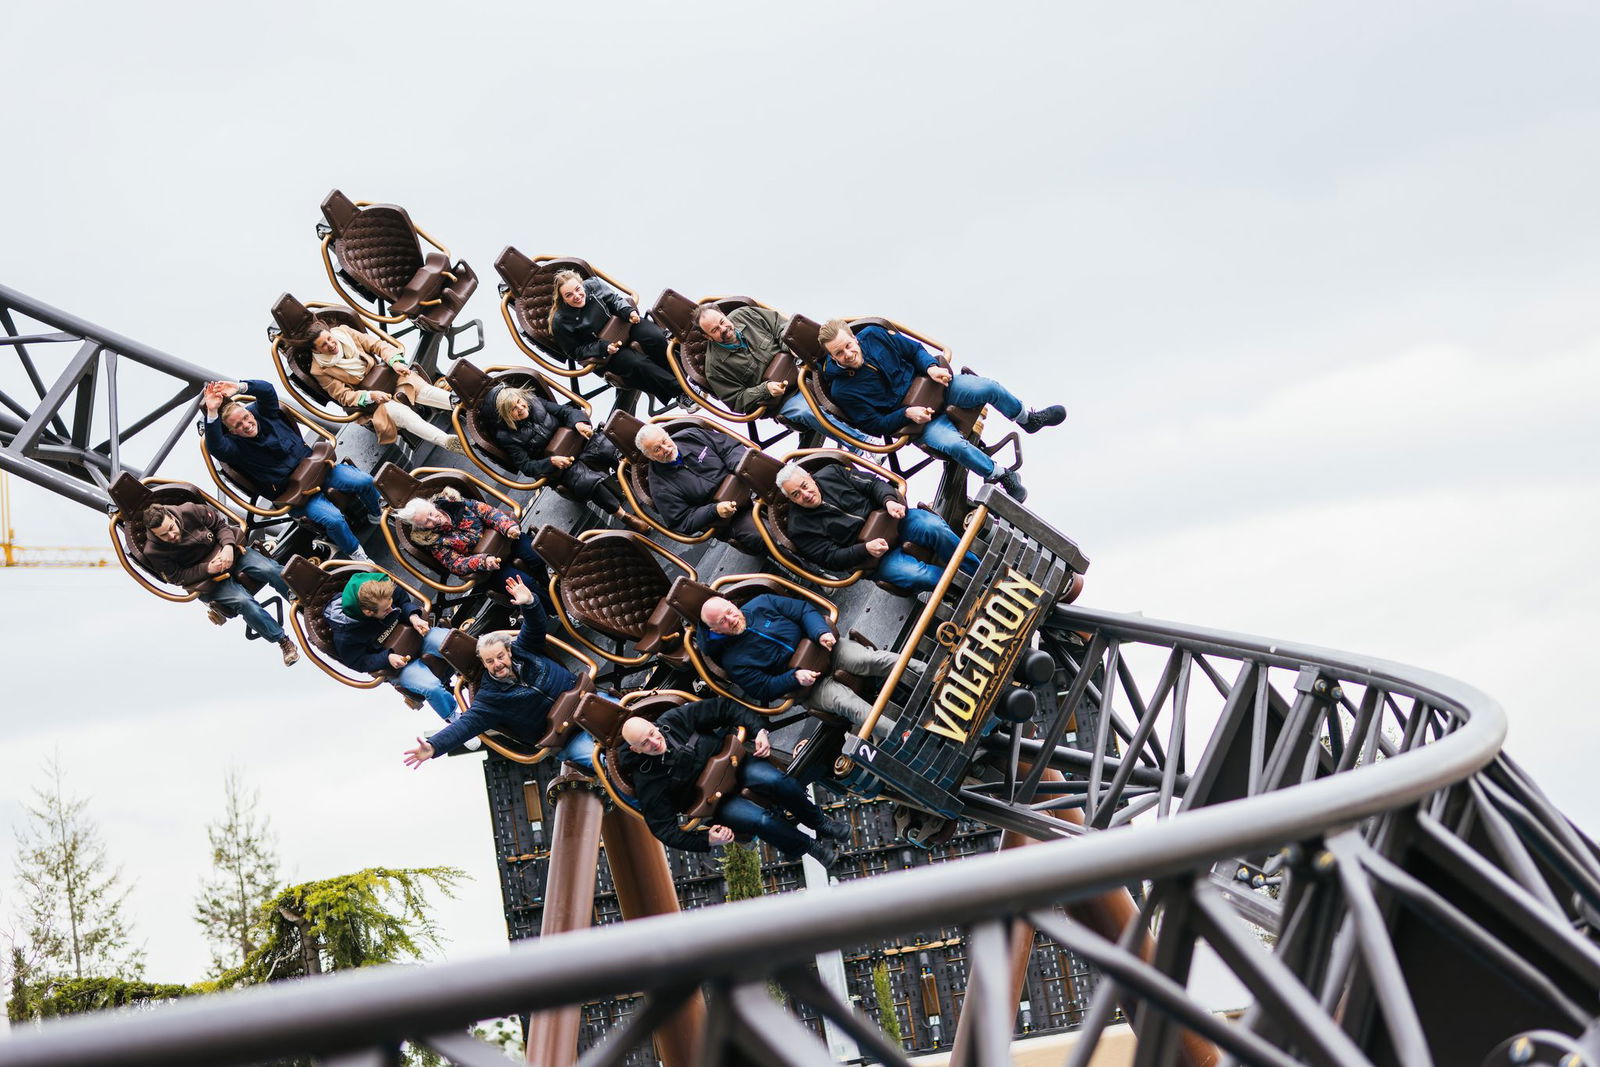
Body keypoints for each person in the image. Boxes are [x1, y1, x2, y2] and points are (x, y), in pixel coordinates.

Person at [817, 319, 1066, 502]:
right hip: (919, 418)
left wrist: (930, 368)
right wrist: (906, 415)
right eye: (839, 353)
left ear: (854, 337)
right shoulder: (842, 390)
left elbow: (913, 350)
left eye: (849, 345)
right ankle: (1000, 475)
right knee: (954, 445)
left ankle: (1028, 419)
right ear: (831, 357)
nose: (848, 354)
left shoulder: (873, 335)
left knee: (988, 387)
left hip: (934, 385)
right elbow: (873, 423)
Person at [618, 698, 847, 865]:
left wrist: (759, 731)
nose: (654, 741)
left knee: (778, 781)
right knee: (761, 821)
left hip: (736, 766)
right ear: (635, 749)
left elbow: (724, 708)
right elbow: (663, 830)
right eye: (645, 743)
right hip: (716, 802)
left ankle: (820, 822)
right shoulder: (647, 778)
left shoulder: (674, 720)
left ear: (654, 725)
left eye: (652, 733)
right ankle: (810, 847)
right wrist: (707, 840)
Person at [402, 576, 595, 768]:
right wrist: (433, 746)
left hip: (586, 702)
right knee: (600, 760)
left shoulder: (524, 649)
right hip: (565, 735)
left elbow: (535, 626)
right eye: (490, 661)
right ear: (484, 664)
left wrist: (529, 602)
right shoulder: (488, 699)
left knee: (624, 724)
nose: (498, 664)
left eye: (500, 656)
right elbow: (465, 726)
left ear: (509, 651)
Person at [201, 379, 382, 562]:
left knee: (364, 481)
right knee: (334, 519)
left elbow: (267, 390)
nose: (246, 425)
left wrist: (240, 387)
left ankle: (378, 515)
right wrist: (212, 412)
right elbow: (216, 446)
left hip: (318, 469)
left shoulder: (264, 414)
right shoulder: (235, 449)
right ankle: (357, 553)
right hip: (297, 494)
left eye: (246, 418)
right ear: (232, 432)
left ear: (250, 412)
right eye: (238, 425)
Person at [697, 595, 923, 736]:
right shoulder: (732, 660)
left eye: (729, 612)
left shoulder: (761, 603)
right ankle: (903, 736)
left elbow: (803, 610)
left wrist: (821, 632)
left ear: (730, 603)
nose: (731, 619)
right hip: (808, 686)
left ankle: (929, 673)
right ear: (715, 631)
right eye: (722, 622)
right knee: (847, 704)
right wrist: (794, 678)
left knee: (872, 660)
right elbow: (761, 688)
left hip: (825, 649)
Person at [776, 461, 979, 594]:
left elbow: (873, 484)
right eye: (796, 495)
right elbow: (830, 559)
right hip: (873, 558)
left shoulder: (832, 473)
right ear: (791, 500)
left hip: (896, 522)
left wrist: (889, 500)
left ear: (810, 477)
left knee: (934, 527)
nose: (805, 494)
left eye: (804, 485)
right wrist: (864, 549)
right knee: (917, 575)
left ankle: (978, 574)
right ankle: (969, 591)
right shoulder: (798, 528)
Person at [139, 502, 300, 666]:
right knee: (243, 602)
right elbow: (177, 576)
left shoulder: (191, 510)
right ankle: (283, 642)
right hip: (208, 579)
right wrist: (208, 568)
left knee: (270, 569)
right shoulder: (154, 551)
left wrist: (228, 546)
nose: (171, 536)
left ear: (172, 517)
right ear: (154, 534)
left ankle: (303, 597)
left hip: (229, 554)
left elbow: (219, 525)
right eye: (164, 535)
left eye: (171, 528)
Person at [696, 304, 867, 452]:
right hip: (781, 400)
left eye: (722, 322)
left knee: (842, 376)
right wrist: (765, 390)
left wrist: (791, 347)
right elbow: (736, 400)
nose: (724, 329)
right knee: (807, 411)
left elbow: (781, 327)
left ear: (724, 315)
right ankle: (863, 446)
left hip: (802, 370)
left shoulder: (746, 314)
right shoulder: (714, 367)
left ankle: (878, 416)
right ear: (707, 337)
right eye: (715, 330)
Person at [481, 383, 643, 531]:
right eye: (513, 409)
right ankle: (623, 516)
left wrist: (578, 423)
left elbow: (566, 411)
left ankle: (638, 482)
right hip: (563, 466)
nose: (521, 407)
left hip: (579, 443)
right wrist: (551, 462)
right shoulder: (507, 437)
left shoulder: (535, 402)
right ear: (505, 416)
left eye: (519, 401)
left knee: (609, 448)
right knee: (587, 482)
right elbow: (527, 466)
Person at [307, 320, 463, 454]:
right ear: (316, 350)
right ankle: (448, 442)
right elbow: (344, 396)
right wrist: (371, 396)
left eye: (329, 338)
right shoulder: (319, 370)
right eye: (324, 345)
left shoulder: (344, 333)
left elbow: (377, 345)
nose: (331, 344)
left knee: (422, 391)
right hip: (374, 402)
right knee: (405, 415)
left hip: (389, 378)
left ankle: (461, 403)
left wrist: (394, 362)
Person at [323, 572, 458, 724]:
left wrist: (413, 616)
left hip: (417, 636)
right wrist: (387, 658)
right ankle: (454, 717)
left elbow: (403, 601)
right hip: (398, 665)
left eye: (390, 602)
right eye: (386, 610)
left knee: (452, 641)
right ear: (368, 612)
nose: (391, 607)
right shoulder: (345, 635)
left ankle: (477, 664)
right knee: (431, 687)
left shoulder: (384, 591)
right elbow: (358, 661)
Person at [394, 487, 553, 606]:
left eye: (430, 513)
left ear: (432, 504)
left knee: (538, 556)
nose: (433, 520)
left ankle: (554, 585)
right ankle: (556, 609)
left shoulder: (457, 503)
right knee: (526, 585)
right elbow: (456, 564)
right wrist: (484, 562)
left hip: (505, 541)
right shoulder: (434, 542)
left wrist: (508, 527)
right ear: (421, 527)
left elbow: (489, 513)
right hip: (489, 568)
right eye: (426, 522)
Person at [548, 269, 684, 404]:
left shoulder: (594, 285)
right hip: (607, 351)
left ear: (582, 284)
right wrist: (603, 348)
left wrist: (628, 312)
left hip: (623, 325)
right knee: (638, 363)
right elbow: (575, 352)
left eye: (578, 289)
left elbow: (614, 300)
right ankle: (682, 393)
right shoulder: (560, 322)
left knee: (656, 338)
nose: (576, 296)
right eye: (569, 295)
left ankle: (686, 376)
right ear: (562, 299)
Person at [633, 423, 763, 554]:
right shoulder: (660, 487)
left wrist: (740, 470)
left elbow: (729, 448)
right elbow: (682, 520)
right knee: (764, 536)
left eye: (664, 441)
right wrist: (714, 510)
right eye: (657, 449)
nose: (666, 448)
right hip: (731, 517)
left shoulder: (692, 436)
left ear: (667, 435)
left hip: (748, 483)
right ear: (649, 456)